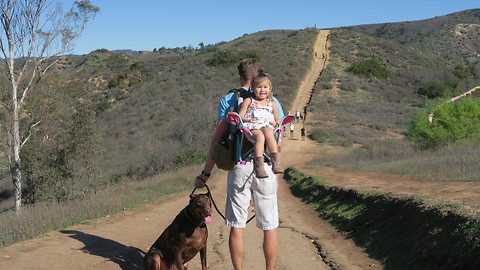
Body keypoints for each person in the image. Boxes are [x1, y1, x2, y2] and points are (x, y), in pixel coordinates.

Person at [194, 58, 284, 270]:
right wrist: (277, 172)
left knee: (237, 225)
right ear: (257, 77)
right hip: (268, 167)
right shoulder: (272, 100)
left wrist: (205, 174)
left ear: (240, 76)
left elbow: (218, 141)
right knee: (269, 225)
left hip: (241, 166)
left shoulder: (229, 99)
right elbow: (278, 138)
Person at [238, 72, 283, 178]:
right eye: (259, 87)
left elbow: (277, 117)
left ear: (270, 88)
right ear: (253, 88)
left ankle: (275, 162)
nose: (262, 90)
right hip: (253, 126)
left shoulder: (271, 103)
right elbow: (240, 116)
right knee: (260, 136)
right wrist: (248, 120)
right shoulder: (249, 101)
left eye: (265, 87)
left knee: (268, 133)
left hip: (267, 125)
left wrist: (276, 123)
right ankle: (259, 167)